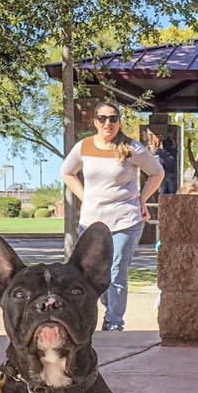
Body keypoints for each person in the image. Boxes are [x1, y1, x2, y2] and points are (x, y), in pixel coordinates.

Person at [61, 102, 165, 331]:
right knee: (94, 274)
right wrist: (84, 197)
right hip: (91, 222)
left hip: (125, 220)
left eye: (113, 118)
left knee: (116, 271)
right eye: (102, 118)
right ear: (95, 122)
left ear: (119, 122)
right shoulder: (84, 146)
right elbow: (67, 172)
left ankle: (114, 322)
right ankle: (109, 307)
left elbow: (157, 172)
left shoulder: (131, 147)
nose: (107, 123)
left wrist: (142, 199)